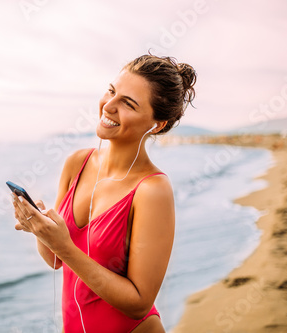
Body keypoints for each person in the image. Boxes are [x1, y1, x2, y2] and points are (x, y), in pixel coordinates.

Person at [12, 53, 196, 333]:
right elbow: (55, 260)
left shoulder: (152, 189)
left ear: (156, 125)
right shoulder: (77, 163)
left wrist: (64, 246)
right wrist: (41, 230)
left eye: (128, 103)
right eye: (111, 91)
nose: (108, 106)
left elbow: (139, 304)